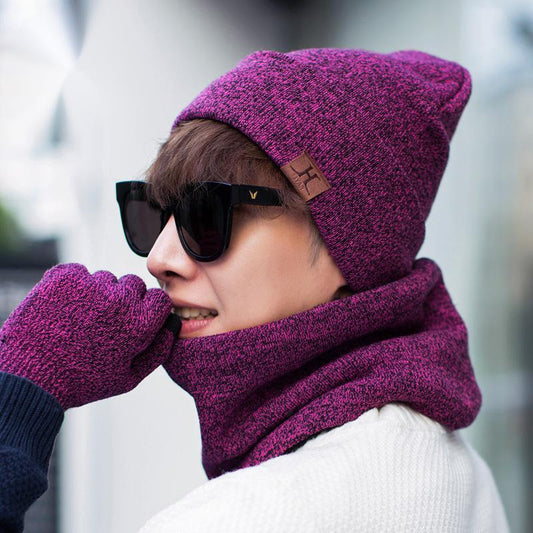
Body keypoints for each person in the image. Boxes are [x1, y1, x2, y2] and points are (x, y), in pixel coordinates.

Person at [0, 48, 510, 532]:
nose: (159, 259)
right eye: (153, 212)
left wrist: (22, 387)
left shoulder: (243, 517)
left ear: (349, 246)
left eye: (206, 215)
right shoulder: (460, 472)